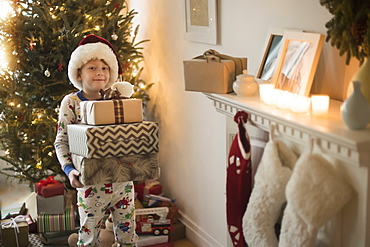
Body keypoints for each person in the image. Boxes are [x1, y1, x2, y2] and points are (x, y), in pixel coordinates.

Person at [54, 34, 138, 247]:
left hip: (122, 184)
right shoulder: (71, 103)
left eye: (105, 67)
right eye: (92, 67)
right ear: (79, 73)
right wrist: (69, 170)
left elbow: (132, 135)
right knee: (89, 239)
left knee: (128, 238)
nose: (100, 71)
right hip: (90, 185)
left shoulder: (117, 100)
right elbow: (61, 141)